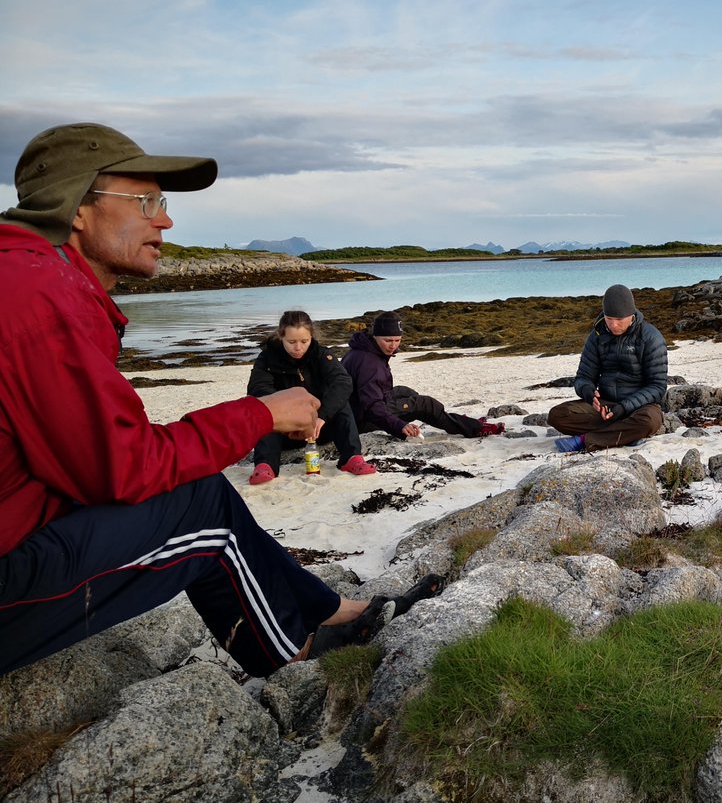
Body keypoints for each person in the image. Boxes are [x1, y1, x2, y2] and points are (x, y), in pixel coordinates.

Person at [0, 123, 440, 678]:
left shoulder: (25, 279)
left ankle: (330, 609)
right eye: (146, 201)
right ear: (78, 207)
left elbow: (83, 462)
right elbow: (124, 468)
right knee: (200, 504)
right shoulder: (40, 299)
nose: (165, 220)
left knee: (197, 488)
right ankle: (293, 655)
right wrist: (262, 414)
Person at [246, 310, 377, 484]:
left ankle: (352, 458)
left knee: (341, 403)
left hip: (318, 429)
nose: (298, 348)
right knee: (262, 408)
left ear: (311, 337)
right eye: (291, 342)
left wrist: (322, 416)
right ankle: (265, 465)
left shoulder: (321, 354)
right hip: (284, 431)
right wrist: (287, 417)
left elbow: (343, 382)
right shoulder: (267, 358)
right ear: (281, 337)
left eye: (304, 341)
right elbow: (258, 389)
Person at [340, 312, 505, 441]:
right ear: (375, 336)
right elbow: (371, 406)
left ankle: (452, 421)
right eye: (388, 340)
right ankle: (475, 428)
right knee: (425, 404)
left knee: (404, 392)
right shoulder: (369, 363)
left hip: (355, 410)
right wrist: (399, 425)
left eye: (397, 340)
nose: (393, 346)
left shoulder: (362, 349)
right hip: (361, 420)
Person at [548, 284, 668, 452]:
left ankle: (584, 440)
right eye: (609, 318)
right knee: (557, 415)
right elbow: (583, 377)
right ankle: (624, 433)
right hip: (606, 406)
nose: (613, 325)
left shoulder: (650, 338)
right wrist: (588, 392)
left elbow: (658, 386)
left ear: (631, 315)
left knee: (648, 421)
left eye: (619, 320)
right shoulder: (596, 336)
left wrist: (625, 407)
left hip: (640, 407)